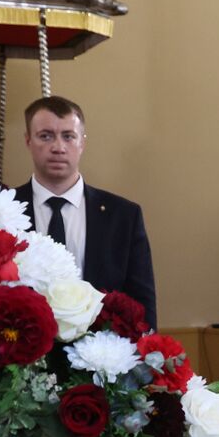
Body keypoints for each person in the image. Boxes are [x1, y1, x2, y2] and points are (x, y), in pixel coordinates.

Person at [13, 96, 158, 328]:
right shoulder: (5, 209)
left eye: (68, 136)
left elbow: (143, 306)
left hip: (101, 352)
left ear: (82, 143)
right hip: (21, 347)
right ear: (28, 141)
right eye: (45, 136)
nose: (58, 147)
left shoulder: (123, 217)